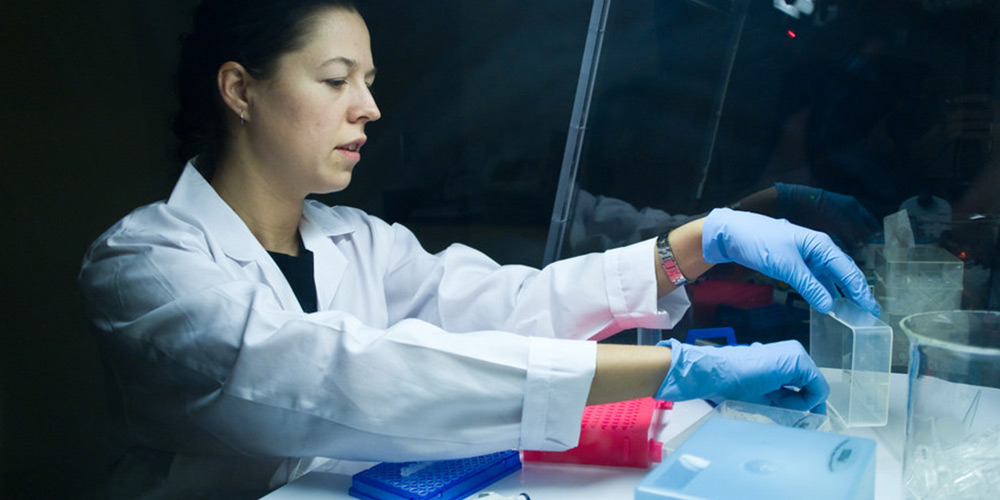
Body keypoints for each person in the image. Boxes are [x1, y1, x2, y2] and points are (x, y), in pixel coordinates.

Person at [77, 1, 879, 498]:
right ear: (240, 90)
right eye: (335, 80)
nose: (371, 107)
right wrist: (673, 370)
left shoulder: (358, 241)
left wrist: (689, 247)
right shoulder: (145, 264)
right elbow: (341, 373)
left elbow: (511, 305)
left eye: (370, 78)